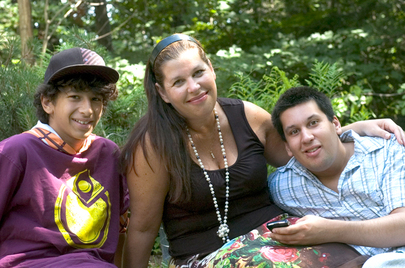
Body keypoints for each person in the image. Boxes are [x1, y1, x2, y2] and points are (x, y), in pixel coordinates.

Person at [120, 33, 404, 268]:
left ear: (211, 69)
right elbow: (143, 229)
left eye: (198, 73)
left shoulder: (248, 117)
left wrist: (346, 128)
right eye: (178, 82)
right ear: (162, 92)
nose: (193, 87)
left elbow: (301, 149)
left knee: (358, 262)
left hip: (276, 236)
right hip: (205, 256)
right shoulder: (153, 147)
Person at [0, 47, 129, 268]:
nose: (87, 110)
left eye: (96, 99)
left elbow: (121, 228)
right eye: (75, 97)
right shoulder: (16, 151)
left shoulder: (108, 153)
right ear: (47, 102)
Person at [268, 86, 405, 266]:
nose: (307, 137)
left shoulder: (386, 152)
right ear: (287, 147)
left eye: (313, 123)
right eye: (294, 132)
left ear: (335, 124)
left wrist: (330, 230)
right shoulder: (282, 186)